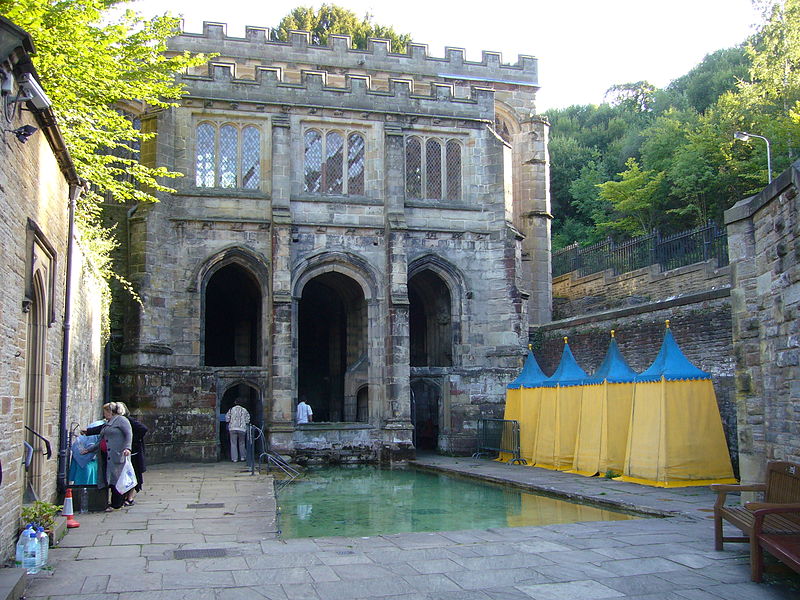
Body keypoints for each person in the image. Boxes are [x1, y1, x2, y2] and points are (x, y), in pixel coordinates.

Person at [82, 402, 132, 511]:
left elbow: (129, 434)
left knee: (116, 479)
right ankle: (107, 503)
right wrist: (89, 450)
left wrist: (127, 448)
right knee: (106, 479)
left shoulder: (121, 420)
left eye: (105, 411)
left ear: (111, 411)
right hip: (105, 455)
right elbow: (102, 441)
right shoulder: (107, 423)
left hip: (117, 455)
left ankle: (116, 504)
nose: (104, 414)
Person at [116, 403, 148, 506]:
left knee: (133, 474)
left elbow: (143, 429)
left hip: (133, 452)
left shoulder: (128, 420)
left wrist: (133, 441)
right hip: (124, 452)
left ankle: (130, 498)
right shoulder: (116, 421)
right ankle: (125, 496)